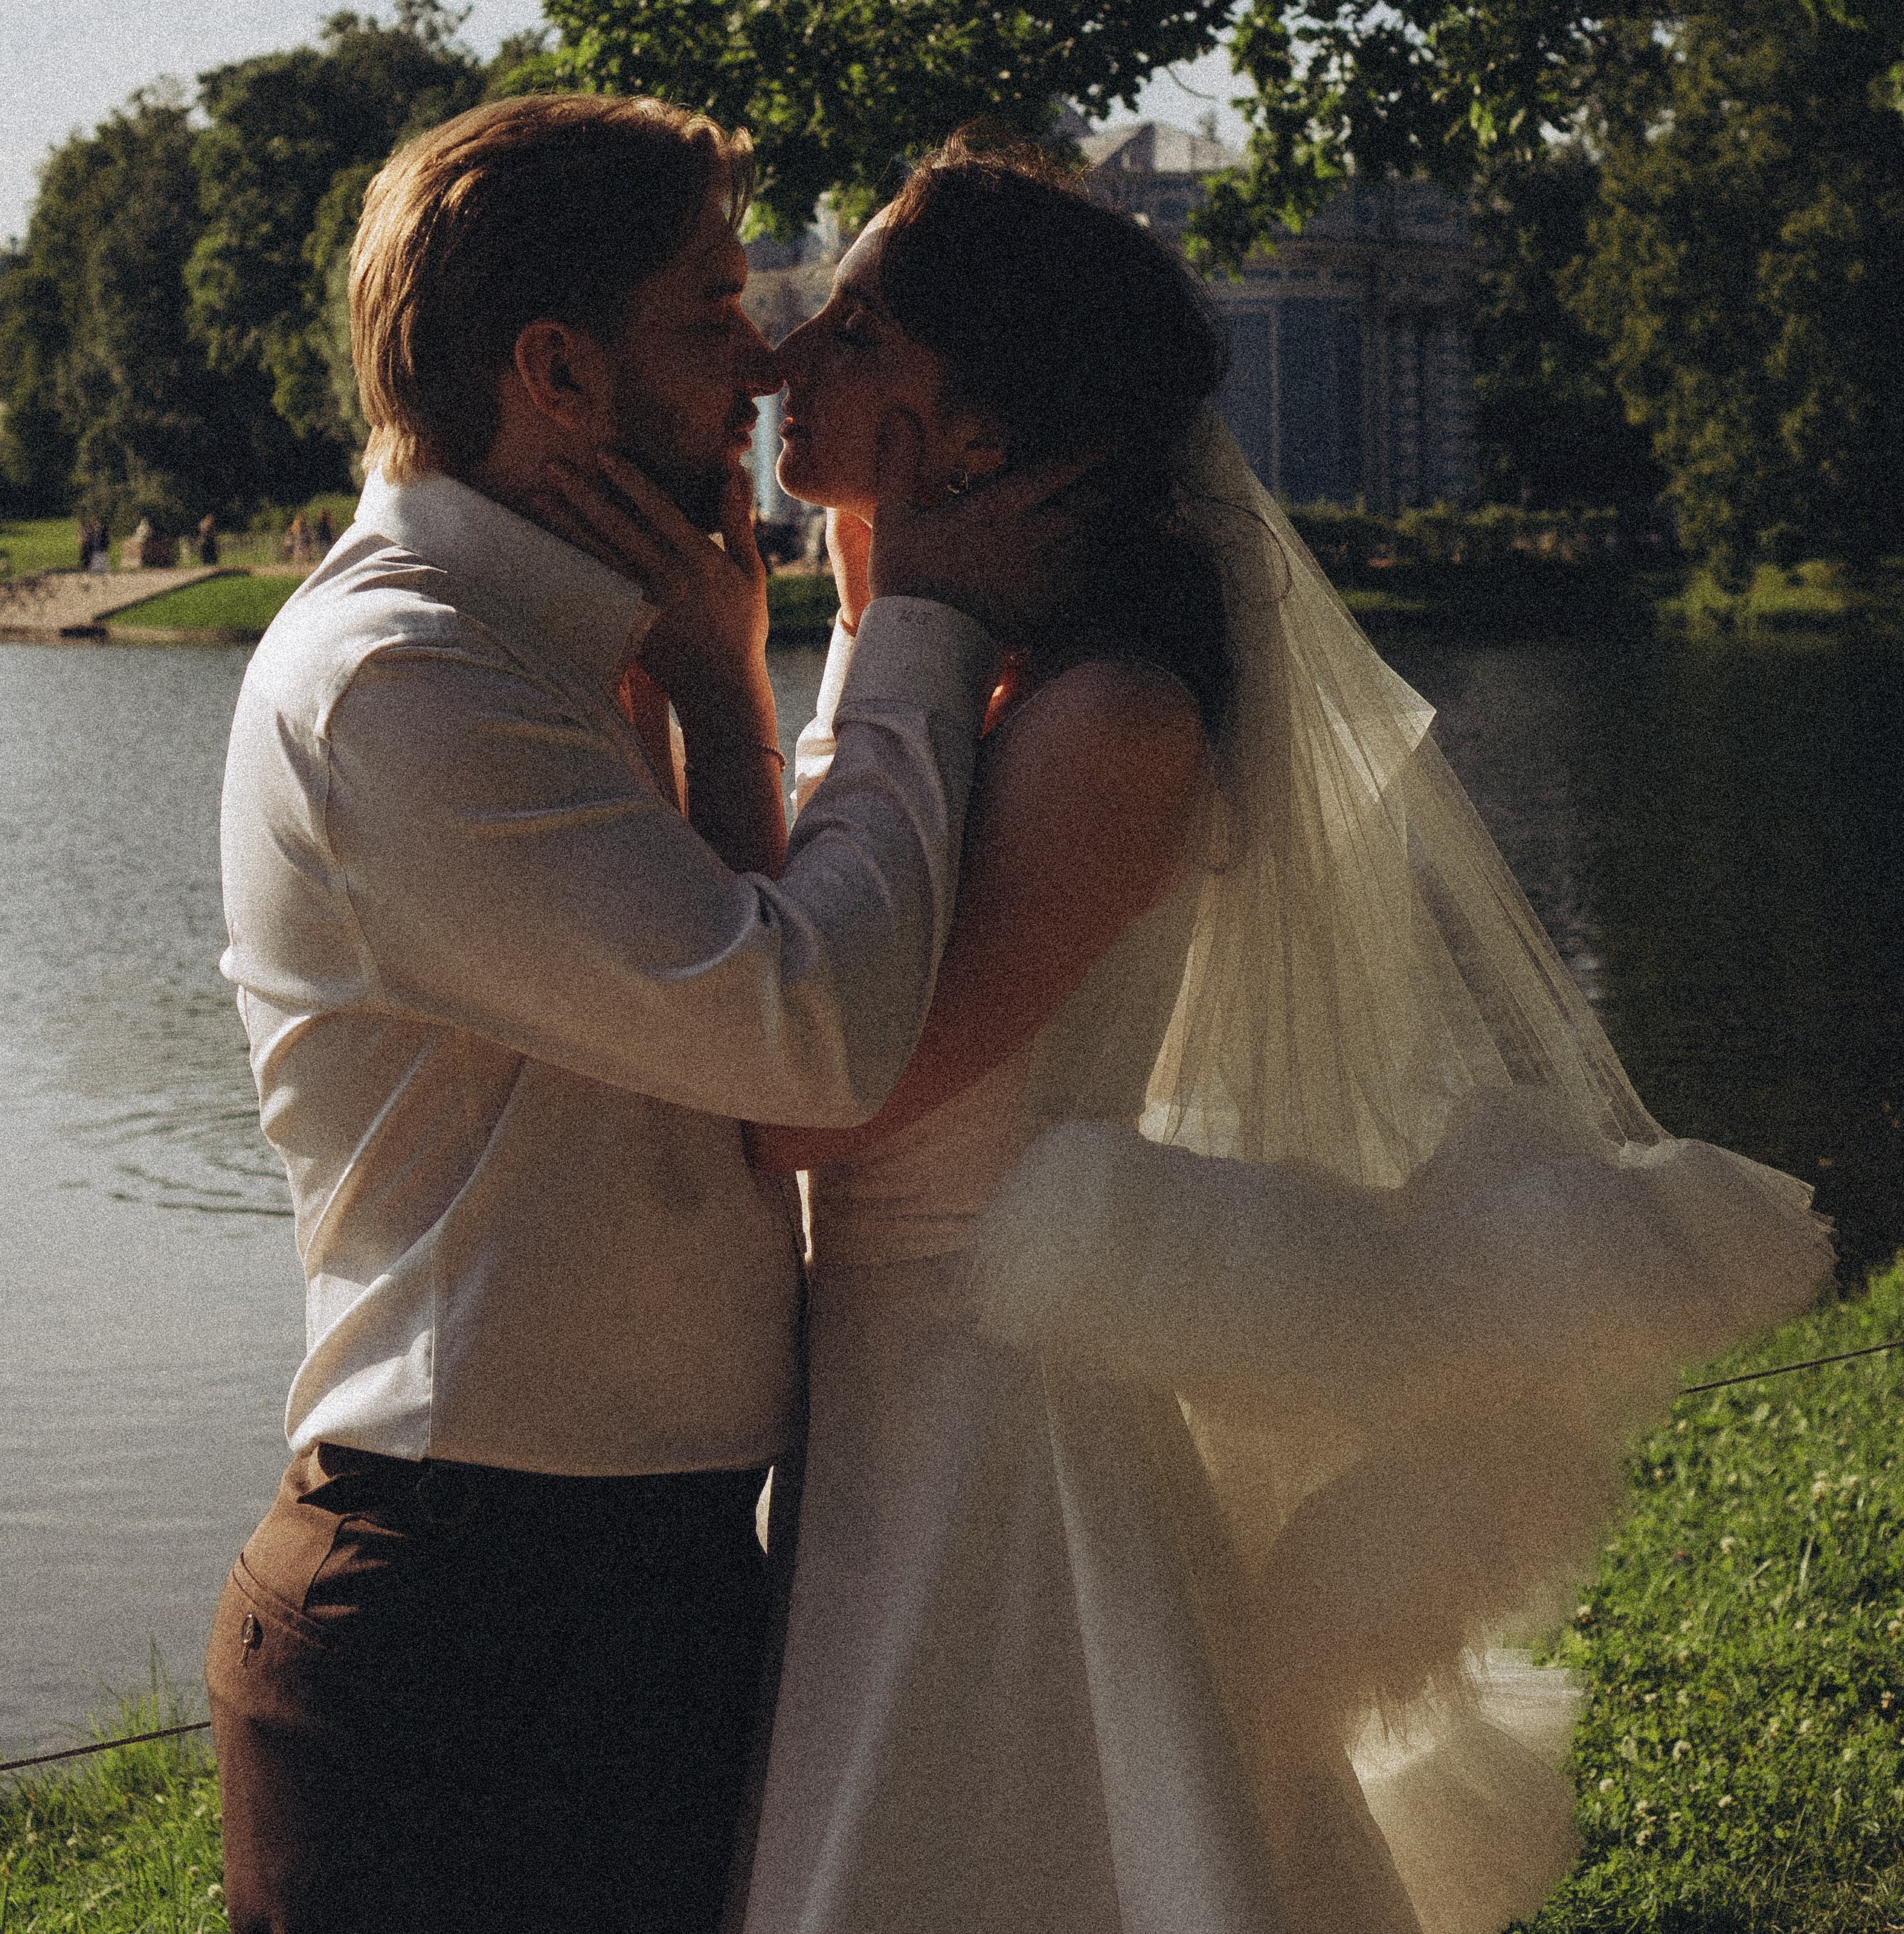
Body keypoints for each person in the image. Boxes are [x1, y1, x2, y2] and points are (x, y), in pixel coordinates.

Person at [700, 136, 1829, 1934]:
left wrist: (811, 657)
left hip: (996, 1425)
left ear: (975, 423)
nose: (781, 359)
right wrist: (867, 614)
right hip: (885, 1397)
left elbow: (818, 1102)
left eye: (851, 330)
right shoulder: (959, 669)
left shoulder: (1107, 721)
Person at [204, 94, 1082, 1934]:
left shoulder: (564, 651)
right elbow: (810, 1036)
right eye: (709, 312)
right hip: (462, 1639)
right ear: (556, 372)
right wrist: (913, 626)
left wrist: (723, 692)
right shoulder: (405, 681)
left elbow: (751, 1048)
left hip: (632, 1585)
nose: (764, 363)